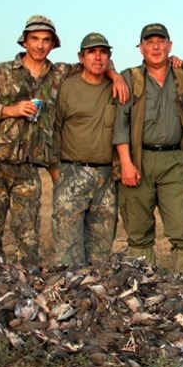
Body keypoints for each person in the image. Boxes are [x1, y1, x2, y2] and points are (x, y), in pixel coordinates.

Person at [113, 23, 183, 274]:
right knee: (139, 232)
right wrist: (126, 163)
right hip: (139, 160)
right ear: (140, 48)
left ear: (170, 46)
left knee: (180, 229)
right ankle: (143, 284)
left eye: (161, 42)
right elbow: (120, 122)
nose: (156, 47)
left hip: (174, 161)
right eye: (150, 43)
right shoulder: (130, 78)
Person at [0, 15, 66, 271]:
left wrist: (115, 76)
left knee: (28, 236)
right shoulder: (2, 72)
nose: (40, 45)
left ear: (53, 44)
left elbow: (95, 64)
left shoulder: (59, 75)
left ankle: (25, 284)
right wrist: (8, 110)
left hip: (28, 166)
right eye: (34, 39)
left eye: (46, 40)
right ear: (24, 42)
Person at [52, 33, 118, 268]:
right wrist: (55, 169)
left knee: (101, 252)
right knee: (69, 252)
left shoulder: (116, 87)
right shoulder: (67, 87)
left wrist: (116, 77)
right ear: (81, 57)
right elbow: (54, 128)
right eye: (92, 52)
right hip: (72, 172)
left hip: (106, 177)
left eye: (103, 52)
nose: (98, 57)